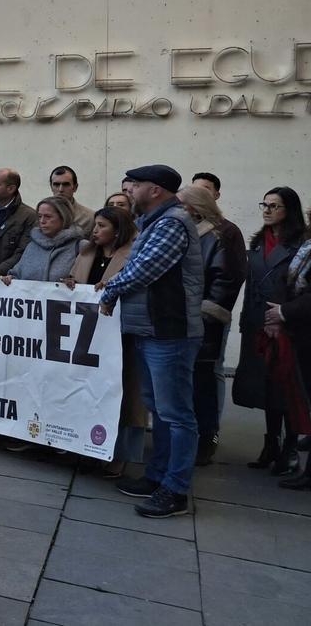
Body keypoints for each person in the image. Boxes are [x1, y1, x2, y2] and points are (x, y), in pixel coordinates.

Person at [100, 165, 204, 519]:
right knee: (159, 410)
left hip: (169, 332)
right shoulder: (154, 222)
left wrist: (110, 290)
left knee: (176, 414)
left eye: (135, 184)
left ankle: (176, 490)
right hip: (152, 330)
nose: (129, 189)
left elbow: (144, 268)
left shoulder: (172, 223)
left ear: (155, 190)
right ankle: (158, 476)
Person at [234, 186, 306, 476]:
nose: (267, 210)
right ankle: (271, 443)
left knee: (286, 387)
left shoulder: (301, 245)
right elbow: (251, 284)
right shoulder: (258, 242)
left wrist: (285, 314)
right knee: (265, 386)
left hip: (287, 325)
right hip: (257, 322)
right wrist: (245, 321)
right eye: (264, 204)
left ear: (289, 210)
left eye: (274, 206)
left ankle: (290, 448)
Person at [65, 206, 142, 477]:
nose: (95, 230)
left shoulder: (133, 255)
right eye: (95, 224)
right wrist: (69, 284)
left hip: (120, 336)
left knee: (124, 394)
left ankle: (120, 456)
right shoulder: (86, 252)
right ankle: (85, 447)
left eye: (102, 226)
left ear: (118, 231)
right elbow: (74, 280)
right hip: (87, 337)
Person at [177, 184, 246, 465]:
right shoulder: (183, 228)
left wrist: (205, 310)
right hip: (180, 318)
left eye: (181, 204)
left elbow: (228, 277)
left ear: (195, 206)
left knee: (203, 381)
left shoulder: (225, 232)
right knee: (184, 382)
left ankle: (207, 438)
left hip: (204, 319)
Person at [263, 209, 311, 490]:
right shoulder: (307, 245)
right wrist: (279, 312)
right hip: (299, 330)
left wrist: (284, 312)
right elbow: (289, 281)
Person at [2, 197, 83, 285]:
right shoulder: (32, 246)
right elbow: (17, 275)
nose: (42, 221)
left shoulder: (80, 247)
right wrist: (10, 279)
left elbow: (88, 284)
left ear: (63, 217)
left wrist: (74, 283)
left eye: (48, 217)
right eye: (40, 216)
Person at [49, 166, 95, 234]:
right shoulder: (41, 215)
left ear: (75, 187)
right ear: (51, 187)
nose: (60, 189)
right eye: (56, 184)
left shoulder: (89, 217)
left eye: (66, 184)